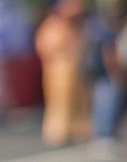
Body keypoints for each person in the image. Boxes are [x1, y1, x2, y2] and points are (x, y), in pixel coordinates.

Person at [35, 0, 93, 147]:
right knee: (60, 102)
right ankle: (58, 132)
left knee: (78, 102)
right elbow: (45, 47)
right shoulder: (53, 26)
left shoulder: (76, 28)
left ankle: (77, 131)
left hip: (74, 69)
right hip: (58, 70)